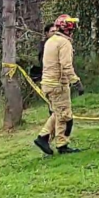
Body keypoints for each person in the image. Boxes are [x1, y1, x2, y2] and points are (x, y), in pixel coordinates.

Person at [34, 14, 84, 155]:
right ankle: (61, 144)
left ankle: (43, 138)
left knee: (57, 113)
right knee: (65, 116)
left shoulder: (51, 40)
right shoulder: (64, 43)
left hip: (47, 83)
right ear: (68, 28)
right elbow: (66, 65)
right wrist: (76, 81)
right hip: (58, 84)